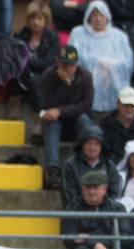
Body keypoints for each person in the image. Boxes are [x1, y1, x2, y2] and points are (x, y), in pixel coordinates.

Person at [39, 45, 94, 190]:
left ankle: (90, 164)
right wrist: (63, 85)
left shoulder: (86, 76)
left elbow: (86, 106)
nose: (69, 69)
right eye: (65, 65)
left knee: (85, 121)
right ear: (57, 62)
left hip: (77, 121)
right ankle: (52, 169)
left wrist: (61, 111)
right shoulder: (48, 76)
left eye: (72, 65)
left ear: (77, 63)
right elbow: (48, 107)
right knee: (52, 123)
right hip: (58, 124)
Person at [67, 1, 133, 115]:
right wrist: (97, 63)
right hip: (85, 81)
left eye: (101, 15)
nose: (98, 19)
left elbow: (128, 63)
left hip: (112, 81)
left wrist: (111, 66)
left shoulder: (120, 36)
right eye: (94, 15)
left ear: (107, 17)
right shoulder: (78, 33)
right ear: (88, 17)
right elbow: (74, 57)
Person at [61, 170, 126, 249]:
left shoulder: (117, 208)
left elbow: (125, 238)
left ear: (104, 189)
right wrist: (95, 244)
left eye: (95, 188)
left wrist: (90, 239)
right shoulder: (72, 210)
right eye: (88, 188)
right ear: (82, 188)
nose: (91, 192)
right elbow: (69, 239)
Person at [11, 1, 55, 117]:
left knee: (34, 79)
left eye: (40, 18)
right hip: (22, 75)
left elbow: (48, 63)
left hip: (42, 76)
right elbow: (15, 58)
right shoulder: (20, 35)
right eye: (33, 18)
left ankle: (38, 118)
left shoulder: (52, 37)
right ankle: (14, 104)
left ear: (46, 19)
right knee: (14, 68)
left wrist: (27, 61)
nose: (36, 22)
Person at [61, 125, 121, 207]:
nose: (93, 148)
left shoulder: (109, 165)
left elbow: (115, 193)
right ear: (82, 145)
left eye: (96, 144)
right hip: (79, 214)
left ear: (101, 146)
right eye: (89, 143)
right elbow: (70, 197)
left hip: (105, 213)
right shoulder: (70, 165)